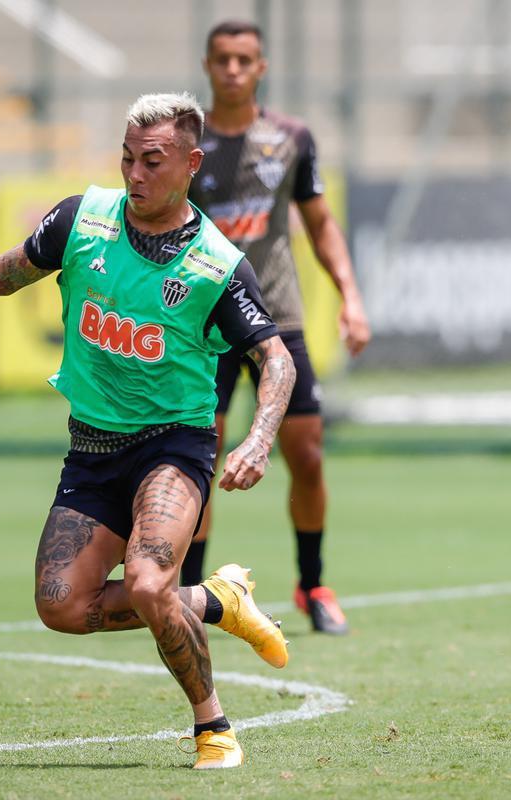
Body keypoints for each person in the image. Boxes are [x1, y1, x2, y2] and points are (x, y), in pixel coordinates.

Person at [0, 92, 294, 770]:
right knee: (60, 605)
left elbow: (276, 359)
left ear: (191, 164)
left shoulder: (216, 266)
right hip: (92, 448)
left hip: (174, 444)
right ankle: (216, 599)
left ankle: (213, 727)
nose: (134, 174)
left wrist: (258, 439)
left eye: (152, 161)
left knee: (147, 583)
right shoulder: (81, 220)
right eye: (126, 158)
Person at [182, 20, 373, 636]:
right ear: (207, 67)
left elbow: (320, 225)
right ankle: (190, 592)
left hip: (277, 321)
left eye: (244, 60)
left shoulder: (291, 138)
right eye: (223, 60)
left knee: (308, 454)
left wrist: (351, 296)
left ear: (261, 67)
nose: (233, 70)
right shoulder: (188, 140)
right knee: (198, 458)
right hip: (204, 325)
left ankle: (313, 583)